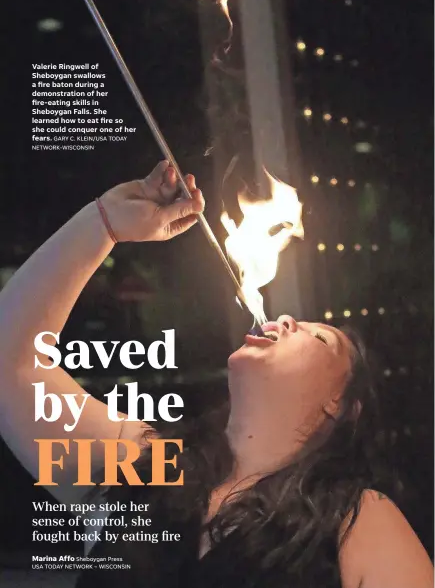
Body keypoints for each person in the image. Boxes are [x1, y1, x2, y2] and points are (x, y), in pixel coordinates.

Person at [0, 161, 432, 588]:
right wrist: (104, 225)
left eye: (318, 338)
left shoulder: (358, 519)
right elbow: (11, 362)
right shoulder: (147, 463)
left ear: (339, 405)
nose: (284, 320)